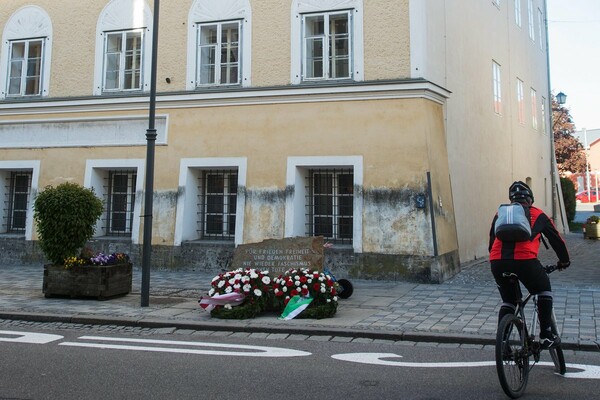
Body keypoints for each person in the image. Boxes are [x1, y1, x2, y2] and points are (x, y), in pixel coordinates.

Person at [489, 181, 570, 348]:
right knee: (543, 290)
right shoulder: (538, 214)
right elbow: (557, 241)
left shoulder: (500, 214)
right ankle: (546, 334)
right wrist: (564, 261)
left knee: (508, 302)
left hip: (497, 262)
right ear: (530, 199)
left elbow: (491, 243)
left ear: (511, 199)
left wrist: (499, 260)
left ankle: (502, 343)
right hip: (525, 262)